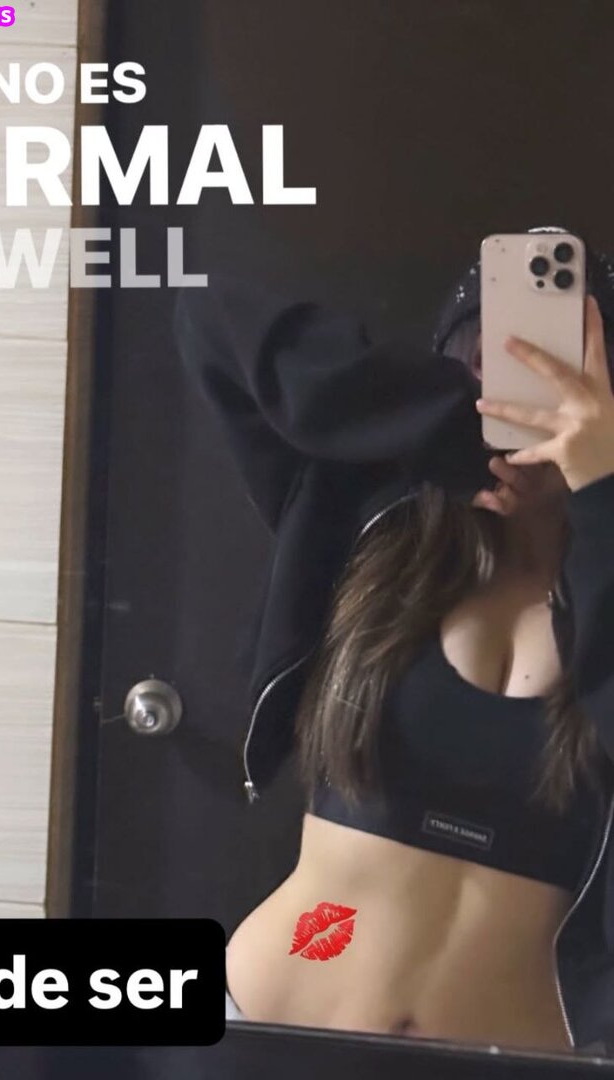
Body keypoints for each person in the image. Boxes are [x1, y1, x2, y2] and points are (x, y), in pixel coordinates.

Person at [173, 230, 614, 1055]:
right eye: (491, 369)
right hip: (263, 1027)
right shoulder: (371, 522)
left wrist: (600, 494)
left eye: (564, 377)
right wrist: (447, 428)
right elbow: (209, 314)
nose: (525, 403)